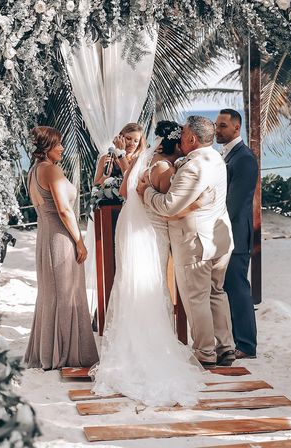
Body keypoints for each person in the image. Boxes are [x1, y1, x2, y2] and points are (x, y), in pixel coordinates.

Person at [91, 121, 206, 407]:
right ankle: (150, 349)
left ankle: (128, 349)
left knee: (131, 283)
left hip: (130, 231)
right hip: (151, 232)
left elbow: (123, 194)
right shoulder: (164, 168)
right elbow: (167, 204)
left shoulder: (145, 162)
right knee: (151, 287)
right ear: (176, 144)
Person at [138, 115, 236, 368]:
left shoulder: (193, 167)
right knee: (216, 293)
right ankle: (225, 348)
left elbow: (170, 206)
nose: (179, 139)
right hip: (219, 240)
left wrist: (146, 192)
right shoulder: (215, 158)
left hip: (195, 243)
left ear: (192, 138)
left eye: (182, 135)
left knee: (196, 298)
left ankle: (205, 352)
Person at [24, 126, 98, 369]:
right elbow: (64, 210)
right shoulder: (51, 170)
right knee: (65, 292)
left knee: (51, 293)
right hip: (59, 238)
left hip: (45, 236)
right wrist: (79, 241)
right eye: (59, 144)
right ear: (47, 146)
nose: (62, 148)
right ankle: (63, 354)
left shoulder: (33, 171)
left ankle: (48, 350)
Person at [215, 108, 258, 360]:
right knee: (230, 288)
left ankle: (247, 345)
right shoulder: (227, 156)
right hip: (227, 233)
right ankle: (237, 341)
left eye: (222, 126)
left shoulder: (244, 159)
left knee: (238, 288)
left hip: (236, 235)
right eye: (216, 125)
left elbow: (234, 204)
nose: (217, 130)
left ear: (236, 128)